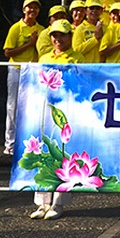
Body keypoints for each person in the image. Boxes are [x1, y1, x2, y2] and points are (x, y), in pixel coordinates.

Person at [31, 18, 78, 220]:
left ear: (70, 37)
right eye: (55, 35)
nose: (58, 39)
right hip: (45, 109)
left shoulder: (78, 58)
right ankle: (42, 203)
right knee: (43, 153)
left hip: (67, 110)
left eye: (62, 35)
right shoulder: (44, 58)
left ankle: (58, 203)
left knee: (63, 155)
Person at [2, 0, 43, 155]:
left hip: (33, 71)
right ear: (24, 10)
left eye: (35, 8)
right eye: (29, 7)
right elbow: (8, 52)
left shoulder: (41, 29)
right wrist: (29, 44)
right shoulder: (16, 28)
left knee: (32, 107)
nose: (32, 10)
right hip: (17, 69)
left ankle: (31, 143)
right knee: (13, 106)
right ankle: (10, 142)